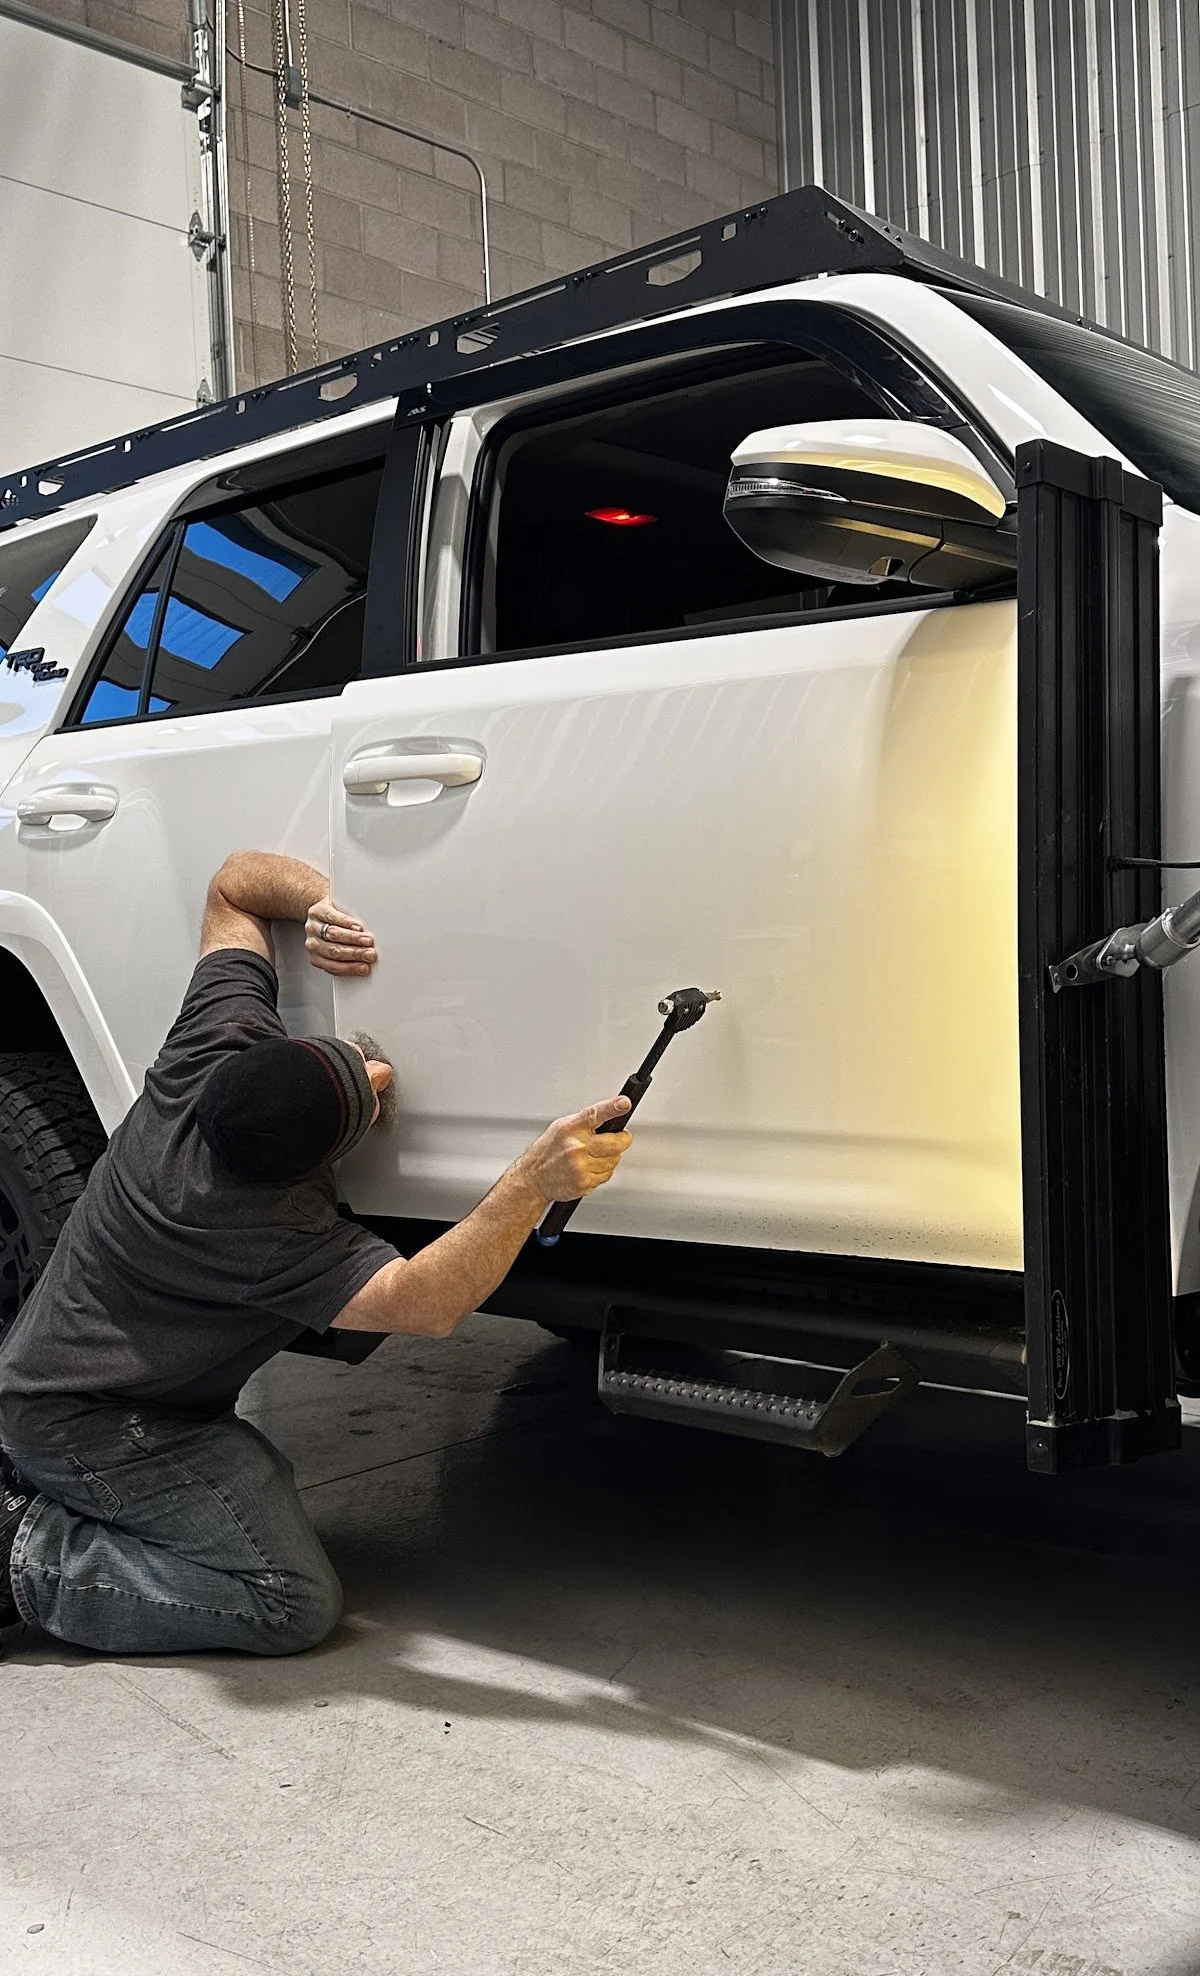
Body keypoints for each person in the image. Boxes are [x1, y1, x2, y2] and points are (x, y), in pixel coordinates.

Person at [0, 851, 632, 1655]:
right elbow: (428, 1305)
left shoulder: (205, 1053)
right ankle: (23, 1556)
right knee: (287, 1602)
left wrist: (325, 907)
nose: (382, 1069)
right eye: (369, 1092)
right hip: (96, 1425)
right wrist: (533, 1182)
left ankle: (50, 1488)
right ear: (303, 1176)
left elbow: (233, 884)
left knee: (247, 1469)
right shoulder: (256, 1230)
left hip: (70, 1393)